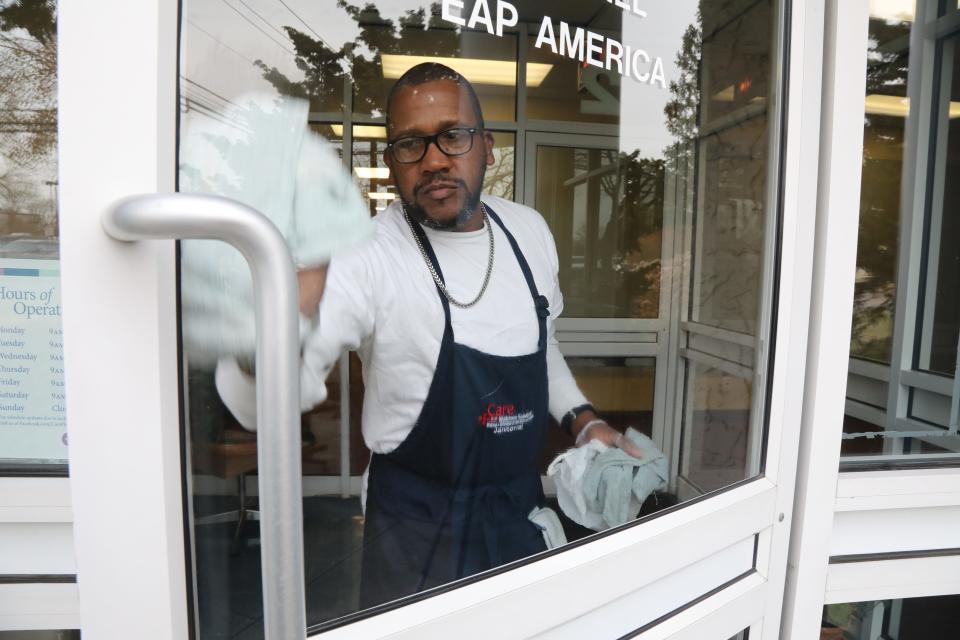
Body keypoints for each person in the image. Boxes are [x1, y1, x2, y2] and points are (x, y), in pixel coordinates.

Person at [216, 62, 641, 608]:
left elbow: (543, 343)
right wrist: (277, 324)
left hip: (517, 505)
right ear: (392, 160)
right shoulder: (364, 254)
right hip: (414, 523)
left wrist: (584, 422)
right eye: (410, 144)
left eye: (452, 136)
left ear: (488, 146)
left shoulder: (529, 232)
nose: (434, 159)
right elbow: (263, 396)